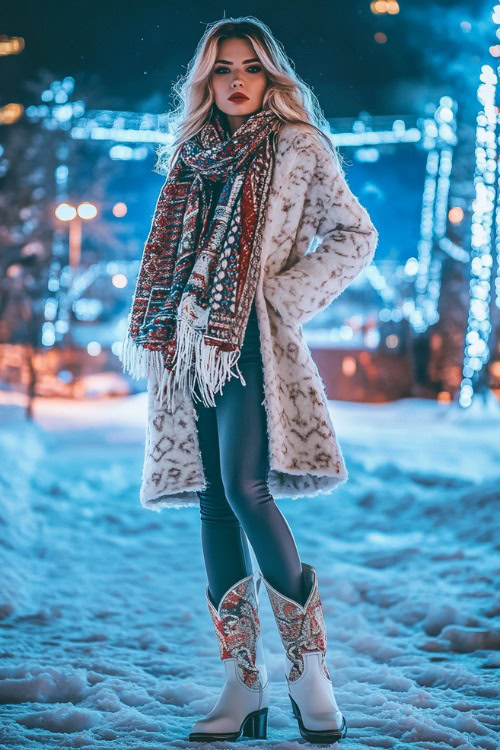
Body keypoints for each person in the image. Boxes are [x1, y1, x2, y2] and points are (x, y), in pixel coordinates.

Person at [120, 14, 378, 745]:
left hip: (250, 342)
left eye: (251, 67)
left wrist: (282, 298)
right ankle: (241, 685)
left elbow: (355, 234)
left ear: (271, 76)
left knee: (245, 488)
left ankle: (309, 675)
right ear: (206, 78)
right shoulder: (190, 155)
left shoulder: (299, 148)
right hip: (186, 346)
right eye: (224, 68)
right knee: (212, 500)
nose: (236, 81)